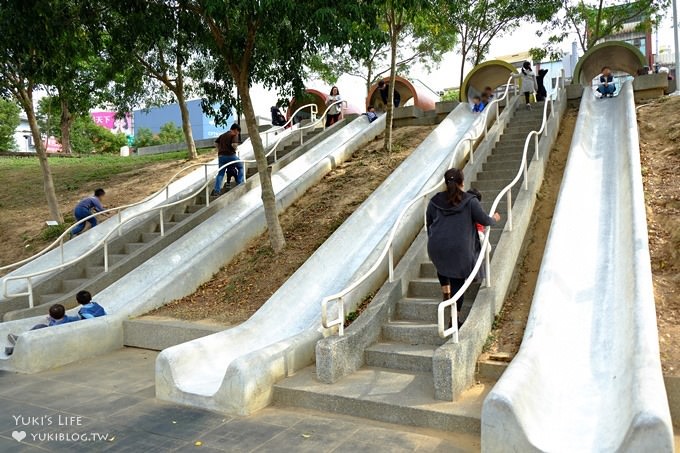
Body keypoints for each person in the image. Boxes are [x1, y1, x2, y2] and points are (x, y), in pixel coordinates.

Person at [426, 169, 501, 326]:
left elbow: (429, 223)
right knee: (457, 282)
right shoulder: (470, 201)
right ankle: (454, 319)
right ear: (462, 182)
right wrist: (494, 218)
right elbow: (484, 220)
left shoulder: (434, 201)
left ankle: (445, 292)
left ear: (446, 183)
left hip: (436, 246)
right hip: (459, 250)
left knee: (443, 265)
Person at [5, 304, 79, 356]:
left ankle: (18, 344)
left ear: (51, 315)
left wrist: (51, 320)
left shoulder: (55, 326)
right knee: (41, 326)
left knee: (39, 327)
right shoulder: (69, 319)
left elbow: (52, 328)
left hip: (48, 337)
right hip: (53, 334)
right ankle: (21, 340)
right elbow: (77, 318)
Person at [212, 123, 243, 196]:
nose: (238, 133)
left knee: (221, 173)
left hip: (221, 156)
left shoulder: (223, 135)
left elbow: (216, 143)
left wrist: (220, 149)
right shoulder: (234, 135)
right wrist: (235, 148)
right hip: (230, 155)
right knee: (241, 166)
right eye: (238, 132)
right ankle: (240, 182)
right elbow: (234, 144)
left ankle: (217, 190)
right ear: (236, 130)